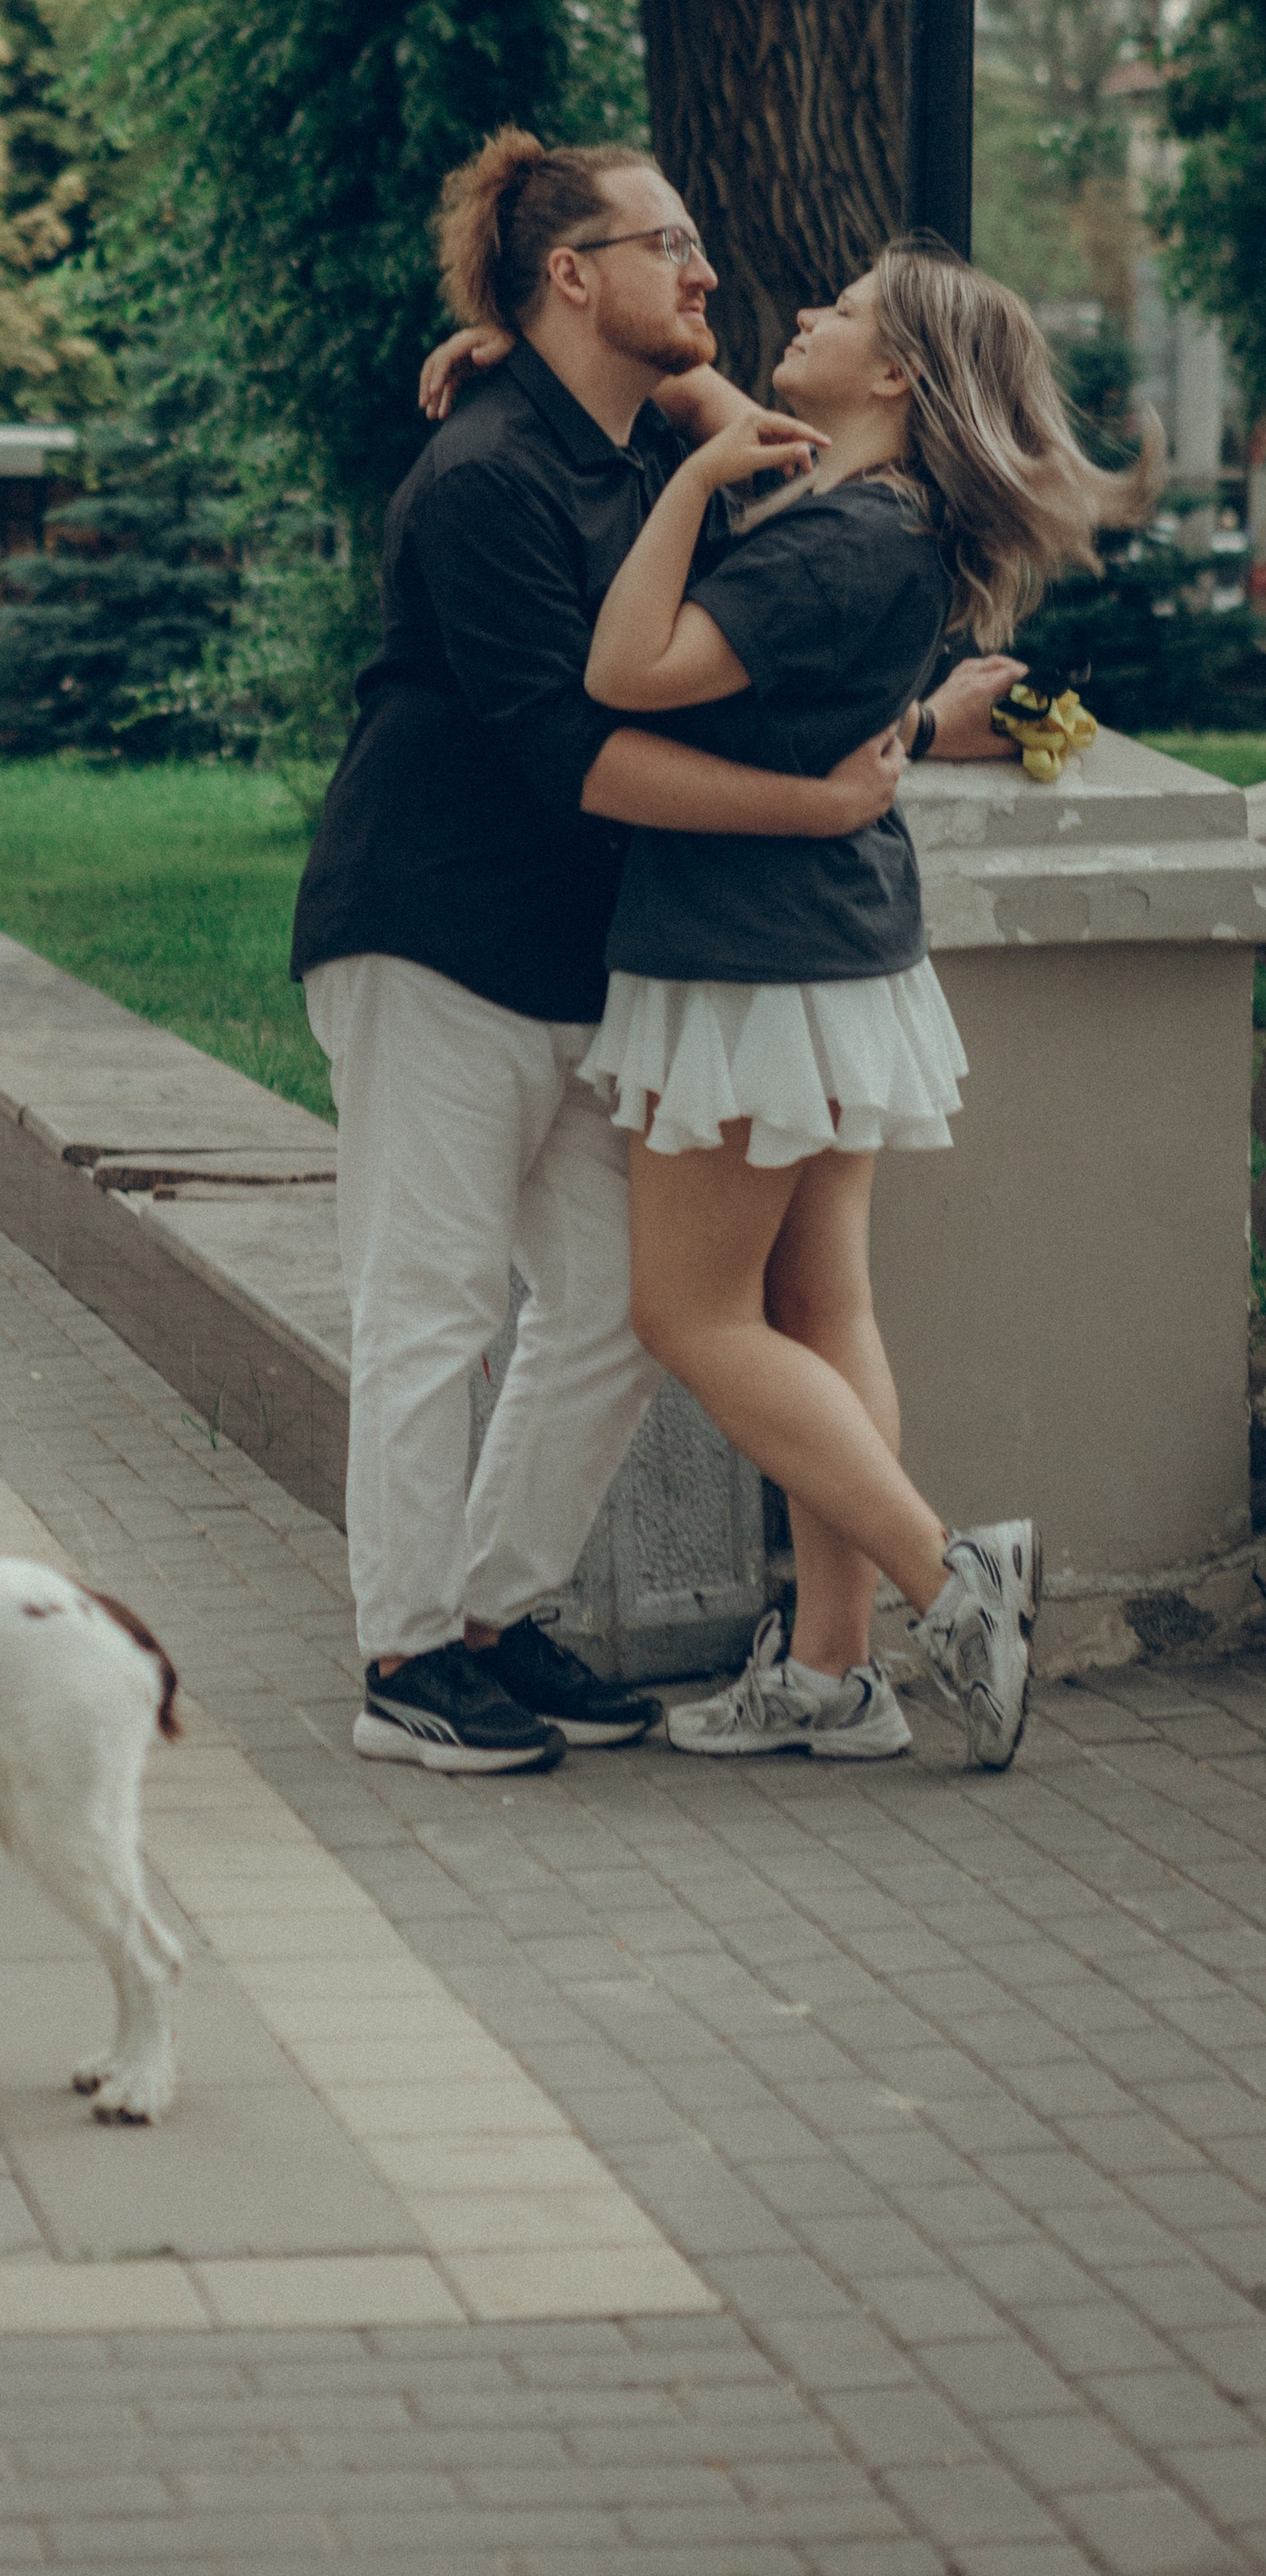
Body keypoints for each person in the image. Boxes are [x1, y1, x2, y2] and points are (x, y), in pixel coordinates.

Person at [291, 135, 1019, 1778]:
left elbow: (789, 620)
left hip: (583, 963)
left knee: (624, 1313)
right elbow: (579, 753)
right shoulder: (483, 477)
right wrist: (815, 810)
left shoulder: (626, 451)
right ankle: (406, 1658)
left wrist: (910, 727)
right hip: (432, 934)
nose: (706, 271)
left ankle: (496, 1618)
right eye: (668, 244)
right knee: (429, 1306)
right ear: (573, 273)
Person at [578, 248, 1156, 1767]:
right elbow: (715, 401)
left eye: (841, 308)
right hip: (831, 954)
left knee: (684, 1310)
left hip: (753, 959)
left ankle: (944, 1579)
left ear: (896, 378)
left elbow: (628, 667)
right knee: (818, 1310)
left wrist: (694, 482)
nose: (805, 313)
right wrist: (525, 335)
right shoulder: (883, 517)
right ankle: (833, 1675)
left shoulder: (821, 540)